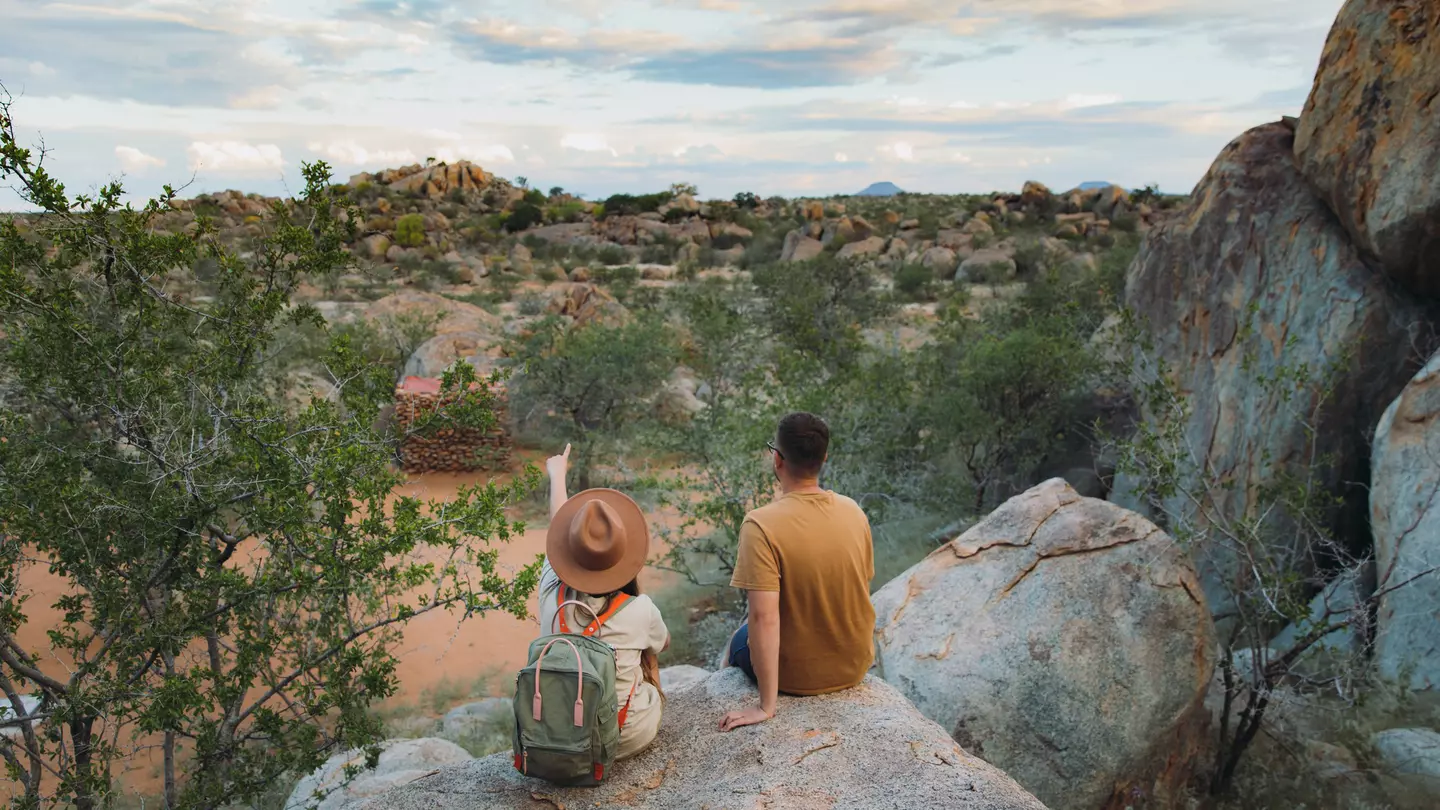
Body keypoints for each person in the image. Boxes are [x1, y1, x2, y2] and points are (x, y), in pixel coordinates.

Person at [718, 412, 875, 732]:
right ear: (824, 458)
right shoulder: (853, 511)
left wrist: (766, 705)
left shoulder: (760, 524)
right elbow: (861, 584)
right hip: (854, 666)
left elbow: (764, 618)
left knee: (739, 637)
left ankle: (720, 685)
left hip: (796, 677)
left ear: (777, 459)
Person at [539, 444, 670, 759]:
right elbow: (664, 644)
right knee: (648, 652)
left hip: (561, 741)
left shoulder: (550, 592)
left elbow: (557, 532)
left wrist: (557, 476)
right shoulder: (641, 609)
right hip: (624, 737)